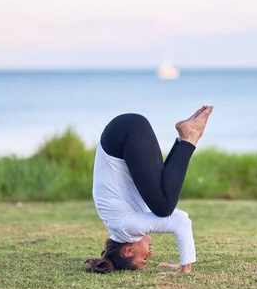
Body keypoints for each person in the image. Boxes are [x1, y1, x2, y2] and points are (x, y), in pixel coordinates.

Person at [85, 105, 214, 274]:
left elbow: (180, 222)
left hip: (125, 134)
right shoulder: (121, 222)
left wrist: (185, 269)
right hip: (124, 130)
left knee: (163, 207)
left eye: (143, 258)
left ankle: (190, 137)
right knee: (161, 200)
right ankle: (184, 137)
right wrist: (181, 262)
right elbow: (177, 212)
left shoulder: (127, 228)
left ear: (128, 251)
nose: (150, 254)